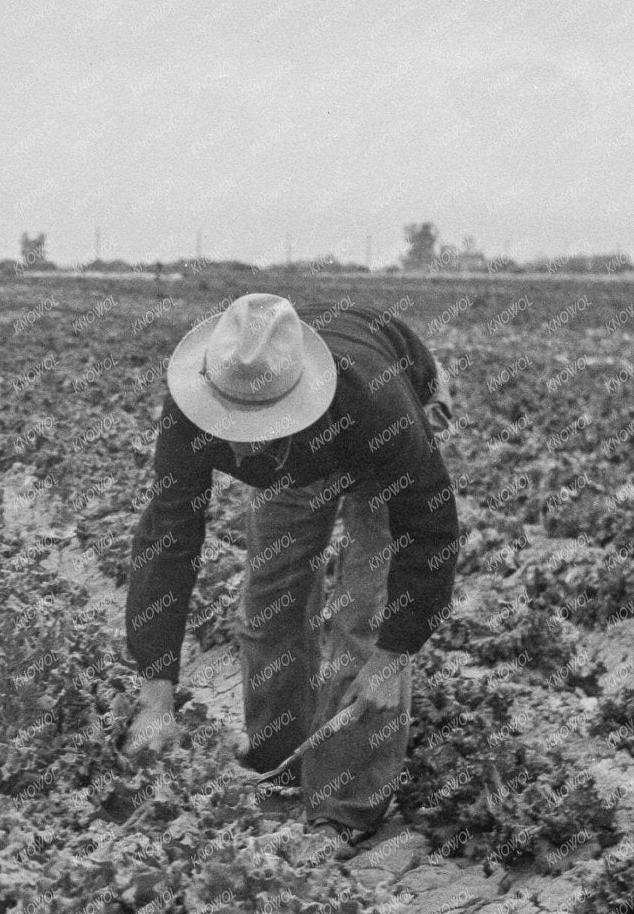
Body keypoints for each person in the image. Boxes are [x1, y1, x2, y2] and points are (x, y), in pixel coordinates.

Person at [119, 291, 459, 839]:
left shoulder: (376, 404)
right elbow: (168, 538)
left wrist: (393, 658)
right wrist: (156, 695)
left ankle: (341, 810)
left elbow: (431, 530)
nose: (247, 446)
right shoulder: (190, 409)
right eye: (235, 429)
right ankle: (277, 765)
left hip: (374, 437)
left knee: (366, 619)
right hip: (298, 459)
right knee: (271, 603)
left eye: (262, 427)